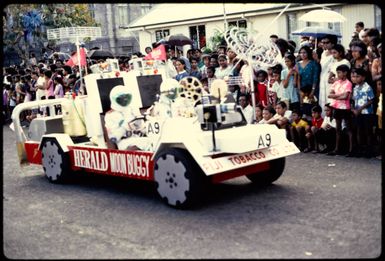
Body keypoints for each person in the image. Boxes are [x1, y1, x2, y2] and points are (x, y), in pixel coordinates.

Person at [104, 85, 149, 151]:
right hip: (123, 142)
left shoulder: (131, 109)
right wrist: (125, 127)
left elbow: (141, 126)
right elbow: (113, 138)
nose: (125, 100)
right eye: (122, 98)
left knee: (153, 141)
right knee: (145, 144)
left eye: (126, 97)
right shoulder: (110, 115)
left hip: (137, 137)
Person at [327, 64, 353, 156]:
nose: (337, 74)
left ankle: (350, 150)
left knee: (349, 128)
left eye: (339, 72)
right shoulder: (336, 83)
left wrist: (336, 96)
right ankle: (337, 149)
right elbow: (329, 95)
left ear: (345, 73)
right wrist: (340, 95)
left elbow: (346, 97)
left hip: (345, 108)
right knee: (338, 128)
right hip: (337, 107)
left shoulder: (348, 83)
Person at [351, 68, 375, 157]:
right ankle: (359, 149)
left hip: (367, 112)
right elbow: (353, 100)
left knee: (368, 131)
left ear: (363, 77)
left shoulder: (367, 87)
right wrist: (353, 109)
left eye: (358, 76)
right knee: (358, 130)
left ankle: (369, 151)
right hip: (357, 112)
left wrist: (360, 109)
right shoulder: (356, 87)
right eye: (354, 77)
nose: (355, 78)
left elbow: (371, 100)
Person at [296, 45, 320, 119]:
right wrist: (300, 91)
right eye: (301, 53)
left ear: (308, 53)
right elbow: (298, 78)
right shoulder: (298, 64)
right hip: (302, 90)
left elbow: (315, 78)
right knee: (303, 109)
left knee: (312, 109)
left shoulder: (313, 63)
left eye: (304, 53)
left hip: (312, 89)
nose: (302, 54)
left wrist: (312, 91)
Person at [319, 35, 337, 114]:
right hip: (322, 78)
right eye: (323, 42)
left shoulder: (335, 54)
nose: (324, 44)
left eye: (326, 42)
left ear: (332, 43)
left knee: (330, 100)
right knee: (323, 99)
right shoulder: (323, 53)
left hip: (330, 79)